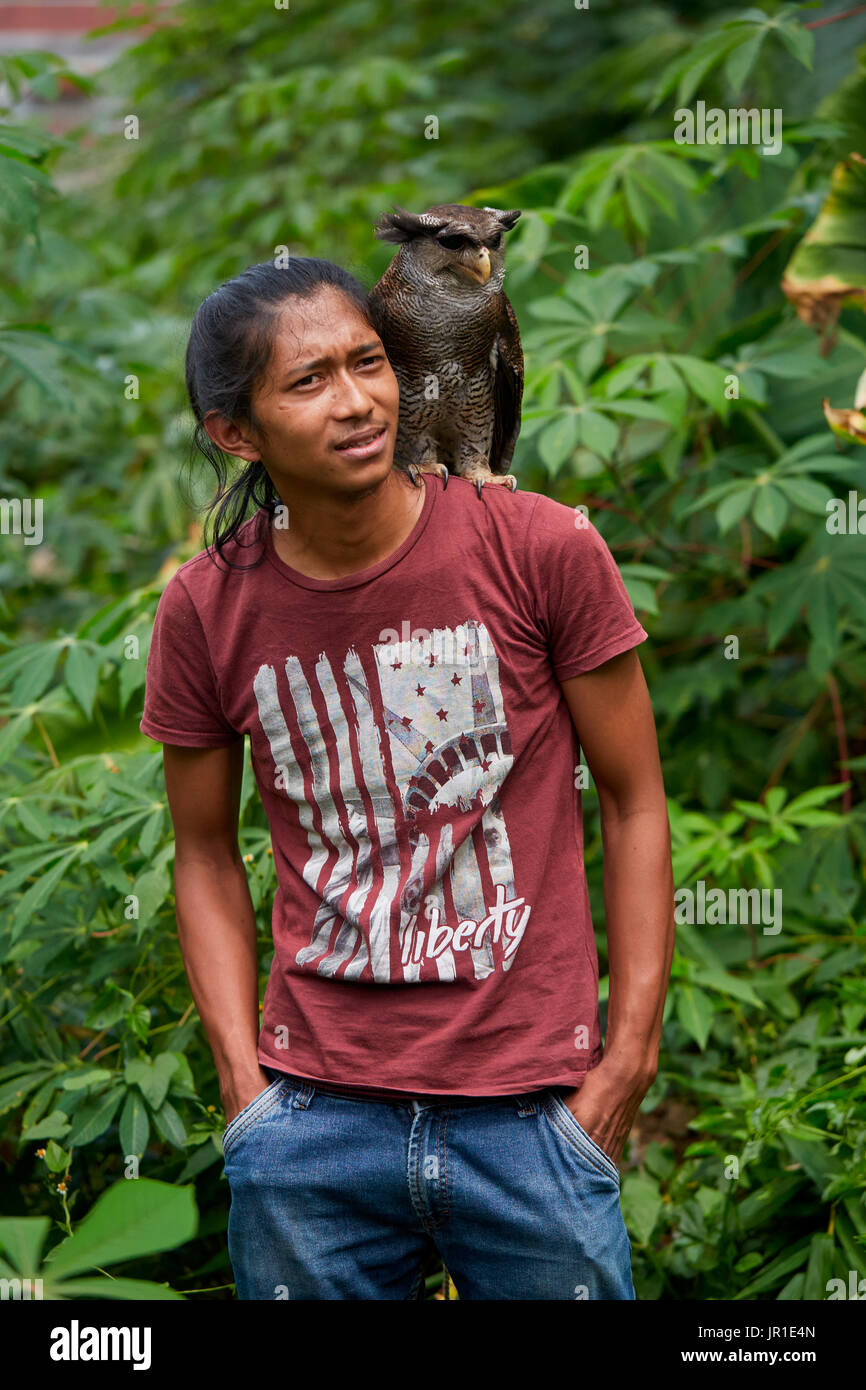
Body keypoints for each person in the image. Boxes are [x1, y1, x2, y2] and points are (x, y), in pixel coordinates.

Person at [140, 256, 674, 1301]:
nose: (355, 402)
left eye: (368, 363)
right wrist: (243, 1087)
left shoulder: (540, 548)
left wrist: (625, 1060)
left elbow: (634, 798)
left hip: (530, 1114)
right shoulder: (205, 608)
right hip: (311, 1126)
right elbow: (201, 848)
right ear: (233, 432)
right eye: (308, 382)